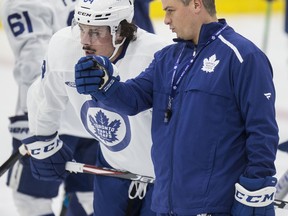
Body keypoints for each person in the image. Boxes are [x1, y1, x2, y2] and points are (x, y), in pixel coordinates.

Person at [73, 0, 280, 215]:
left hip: (215, 207)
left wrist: (255, 189)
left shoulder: (242, 56)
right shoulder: (167, 58)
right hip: (167, 205)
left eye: (170, 10)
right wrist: (105, 86)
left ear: (196, 4)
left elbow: (262, 131)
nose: (166, 20)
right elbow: (133, 99)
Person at [22, 0, 170, 215]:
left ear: (121, 31)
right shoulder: (65, 46)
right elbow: (44, 95)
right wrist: (44, 139)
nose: (83, 41)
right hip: (110, 168)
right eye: (81, 28)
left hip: (161, 177)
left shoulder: (156, 55)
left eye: (95, 32)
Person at [1, 0, 97, 215]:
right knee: (91, 197)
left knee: (31, 200)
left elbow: (33, 61)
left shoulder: (23, 2)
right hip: (93, 113)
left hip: (50, 119)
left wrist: (36, 116)